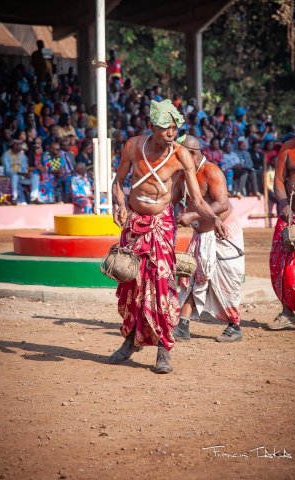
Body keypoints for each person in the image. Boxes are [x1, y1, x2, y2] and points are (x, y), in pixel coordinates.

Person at [109, 99, 227, 374]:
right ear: (151, 126)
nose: (171, 134)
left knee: (162, 286)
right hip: (134, 224)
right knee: (131, 285)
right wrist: (118, 204)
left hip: (161, 226)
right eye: (164, 129)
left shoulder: (181, 156)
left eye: (174, 129)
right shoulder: (133, 146)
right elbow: (118, 182)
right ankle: (130, 341)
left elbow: (197, 201)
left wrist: (214, 218)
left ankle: (164, 349)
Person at [173, 135, 245, 342]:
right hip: (201, 234)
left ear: (192, 154)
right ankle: (183, 325)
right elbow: (171, 200)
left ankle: (235, 325)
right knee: (193, 276)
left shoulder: (211, 171)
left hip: (224, 232)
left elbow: (222, 204)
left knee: (226, 279)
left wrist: (193, 215)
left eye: (180, 155)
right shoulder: (182, 175)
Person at [268, 100, 295, 330]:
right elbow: (278, 181)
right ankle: (287, 312)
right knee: (284, 266)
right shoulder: (288, 147)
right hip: (291, 216)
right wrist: (283, 202)